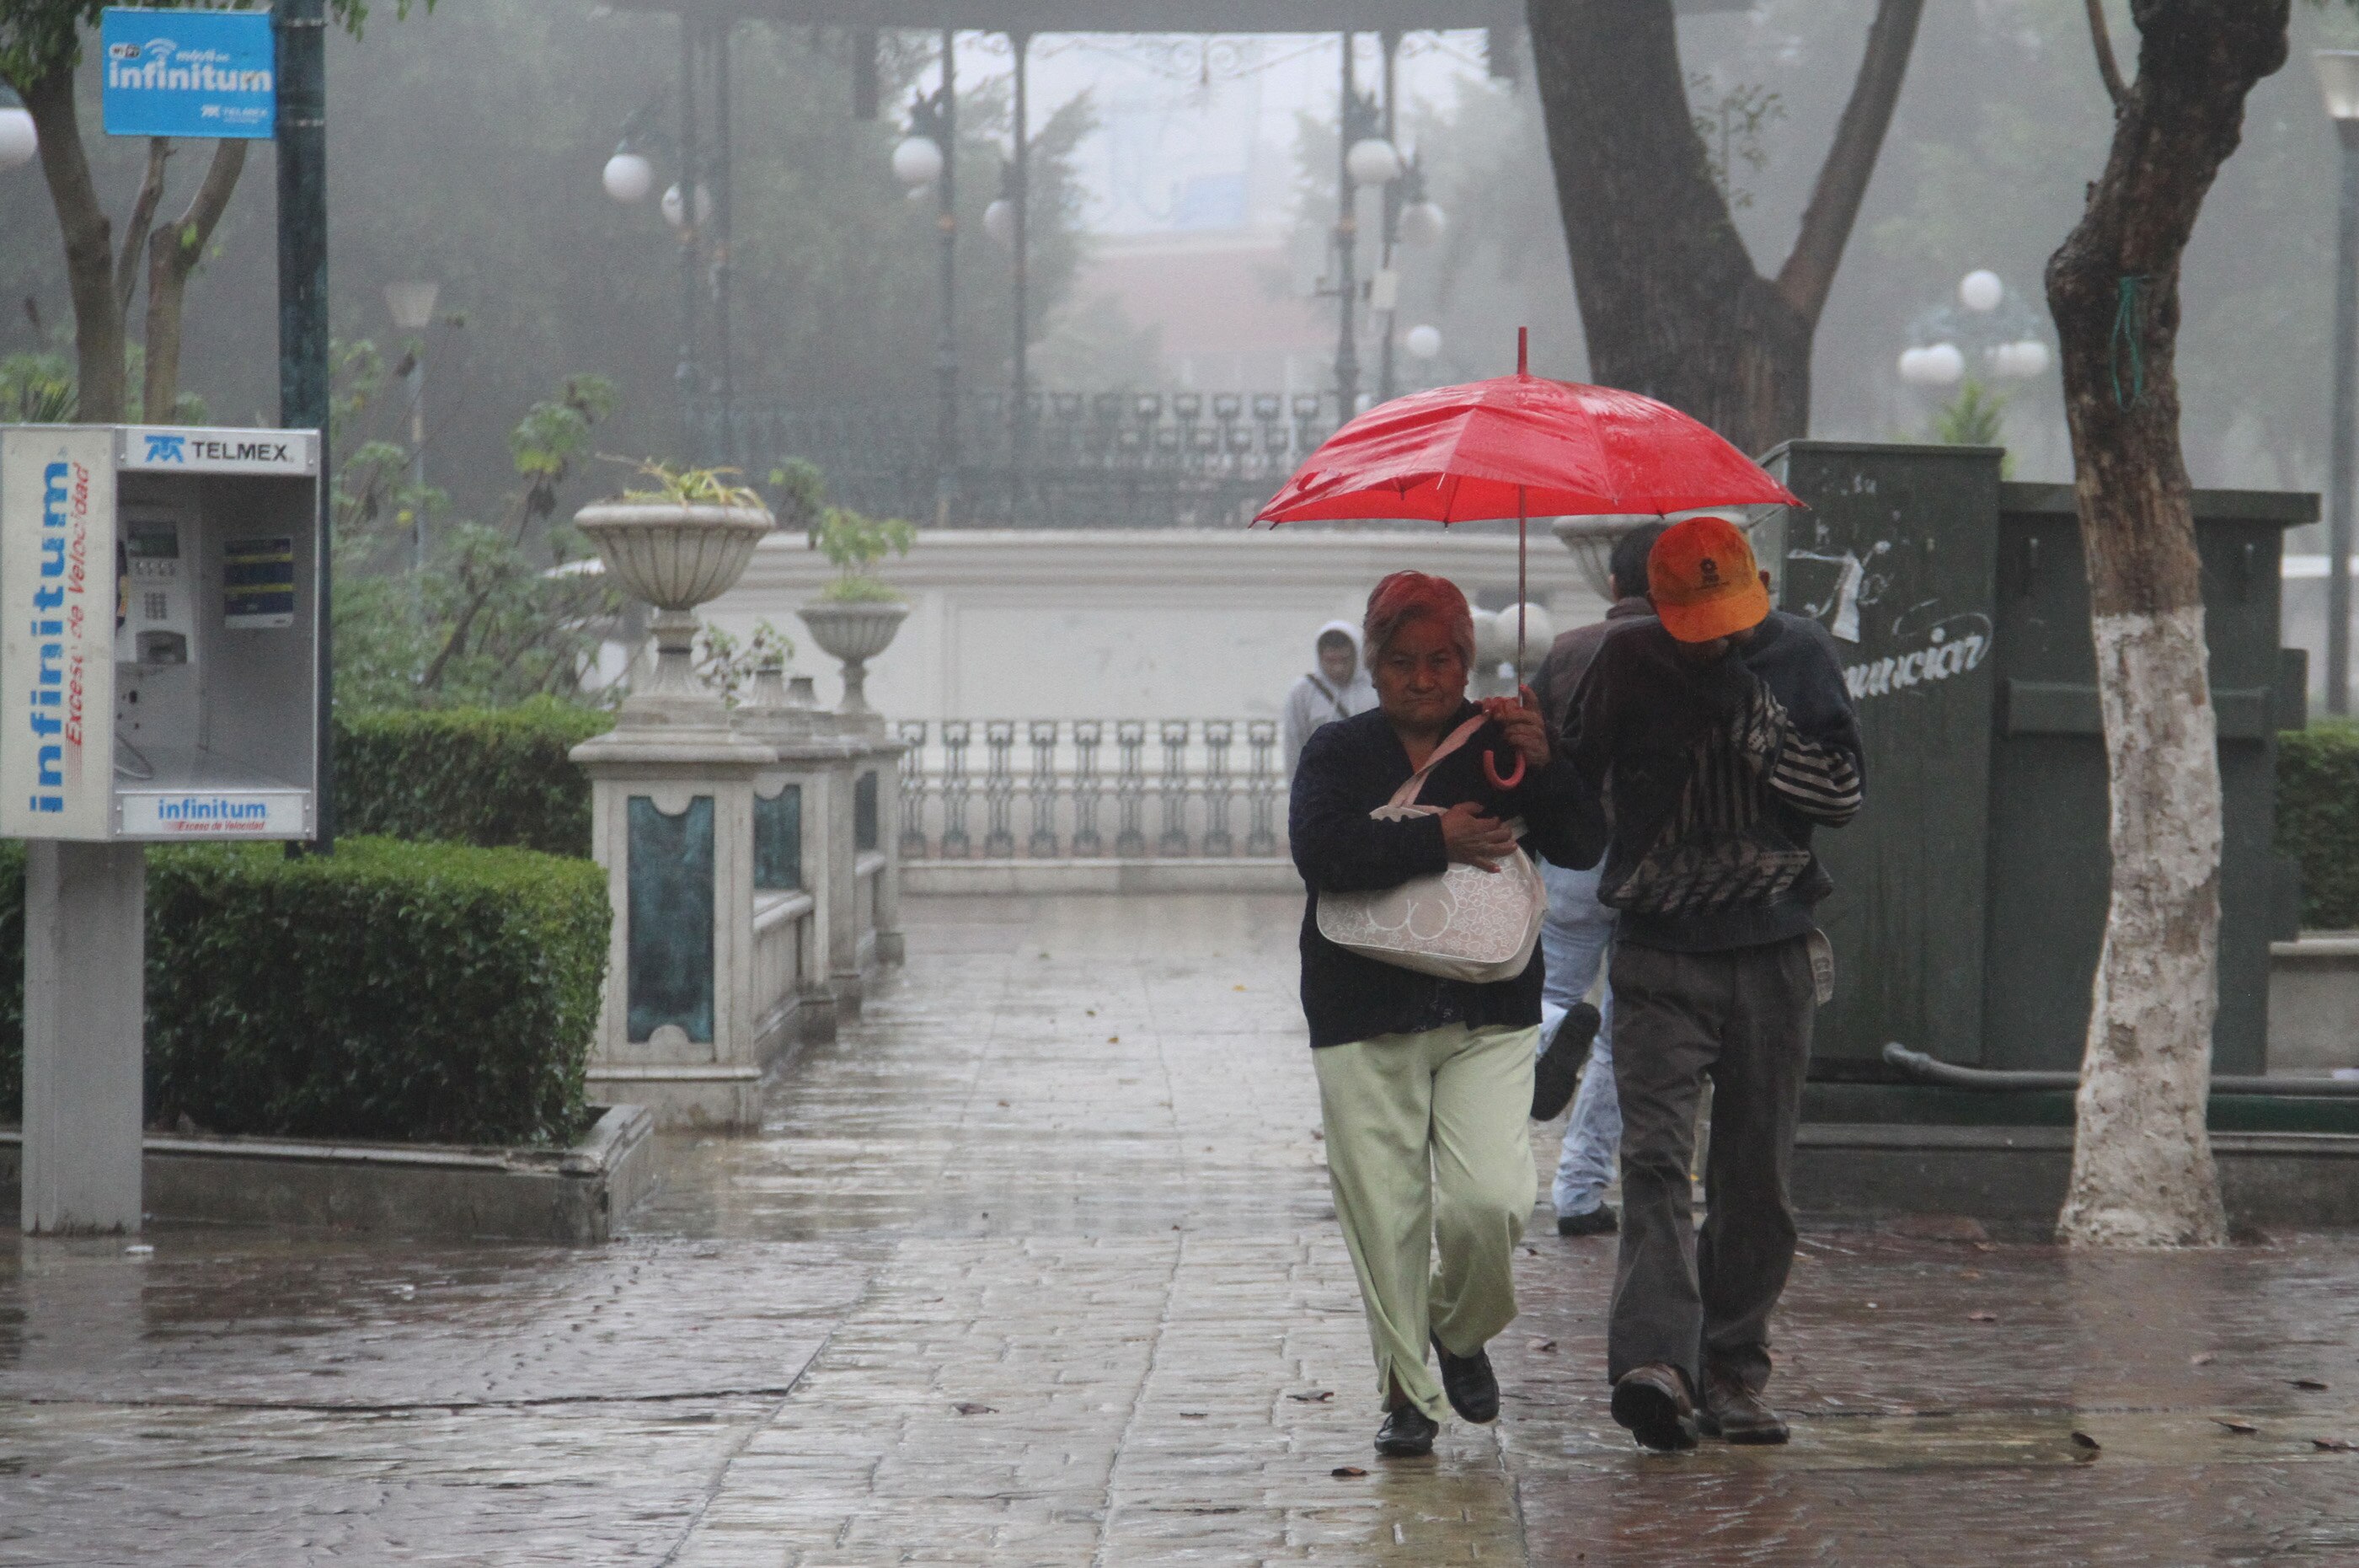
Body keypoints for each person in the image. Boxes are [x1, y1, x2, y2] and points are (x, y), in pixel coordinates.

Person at [1560, 516, 1863, 1453]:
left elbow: (1841, 798)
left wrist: (1744, 707)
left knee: (1754, 1174)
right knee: (1653, 1161)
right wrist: (1534, 746)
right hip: (1657, 949)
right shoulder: (1623, 660)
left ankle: (1733, 1367)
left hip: (1770, 947)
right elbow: (1571, 815)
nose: (1711, 636)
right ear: (1656, 604)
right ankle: (1657, 1363)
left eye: (1726, 616)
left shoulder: (1801, 654)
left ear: (1758, 586)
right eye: (1690, 621)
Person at [1291, 571, 1602, 1459]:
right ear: (1374, 663)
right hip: (1362, 1009)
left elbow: (1582, 844)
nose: (1420, 678)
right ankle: (1406, 1394)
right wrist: (1437, 836)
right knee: (1385, 1216)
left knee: (1492, 1201)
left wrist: (1548, 763)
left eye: (1440, 660)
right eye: (1400, 660)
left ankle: (1457, 1333)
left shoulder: (1505, 740)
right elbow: (1321, 854)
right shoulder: (1339, 751)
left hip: (1488, 1003)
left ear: (1466, 663)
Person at [1526, 522, 1667, 1239]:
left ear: (1611, 584)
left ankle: (1552, 1028)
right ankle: (1579, 1194)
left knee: (1534, 1003)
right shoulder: (1691, 654)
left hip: (1575, 856)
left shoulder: (1568, 650)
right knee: (1619, 1036)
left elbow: (1533, 753)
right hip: (1656, 871)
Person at [1283, 619, 1379, 774]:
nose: (1338, 668)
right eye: (1331, 661)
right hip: (1321, 779)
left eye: (1344, 660)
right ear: (1320, 657)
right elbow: (1294, 744)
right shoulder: (1303, 692)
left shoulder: (1375, 687)